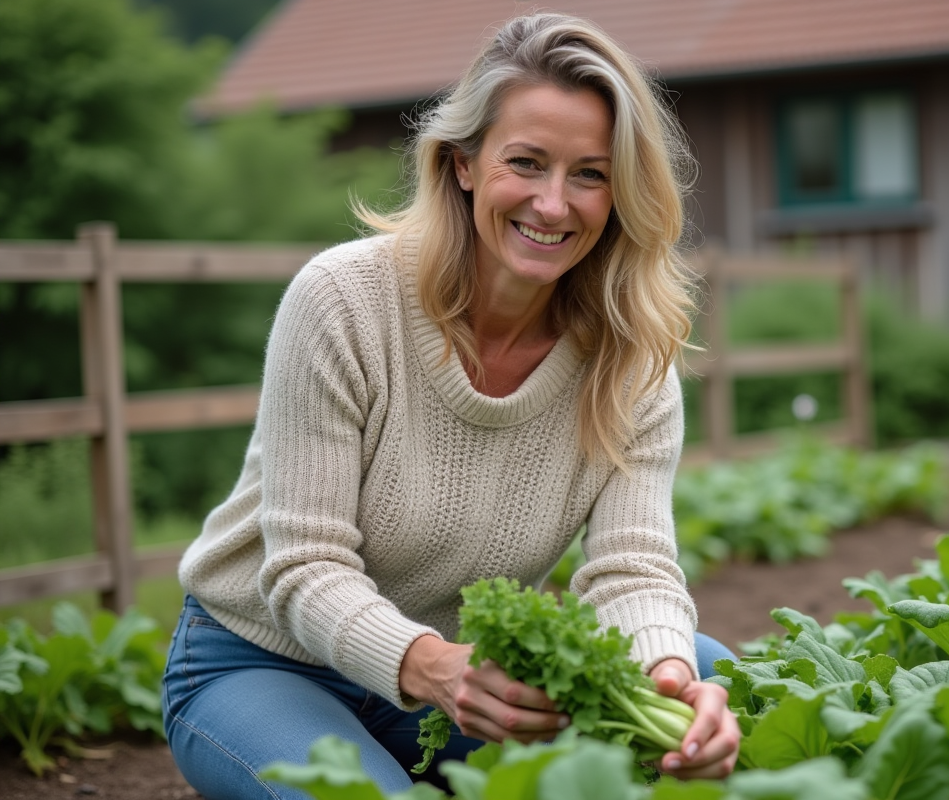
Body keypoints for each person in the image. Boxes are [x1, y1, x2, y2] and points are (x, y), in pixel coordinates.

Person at [161, 12, 741, 798]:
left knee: (708, 673)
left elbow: (632, 572)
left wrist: (668, 679)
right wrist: (429, 666)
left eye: (590, 175)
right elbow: (303, 568)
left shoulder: (630, 360)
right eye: (526, 163)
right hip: (267, 660)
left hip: (460, 685)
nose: (552, 204)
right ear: (463, 163)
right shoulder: (344, 302)